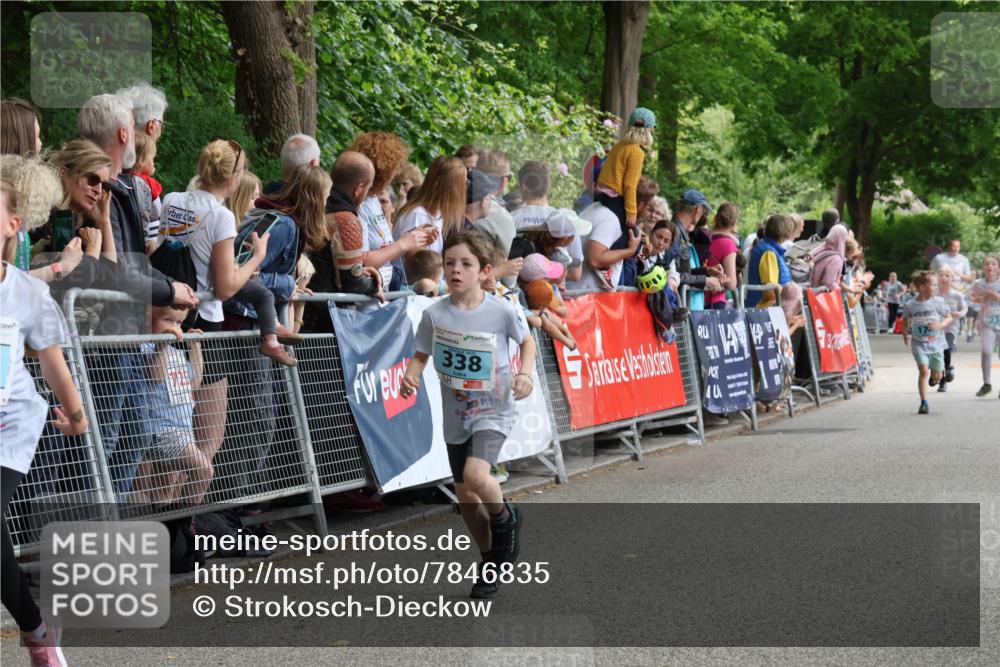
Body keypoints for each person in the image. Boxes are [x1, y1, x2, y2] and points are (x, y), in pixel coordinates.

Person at [401, 231, 535, 599]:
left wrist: (523, 374)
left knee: (477, 476)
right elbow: (421, 354)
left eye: (465, 264)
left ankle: (507, 519)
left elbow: (527, 341)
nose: (456, 270)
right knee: (466, 498)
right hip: (456, 413)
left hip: (493, 408)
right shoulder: (434, 315)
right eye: (449, 263)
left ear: (484, 271)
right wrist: (411, 376)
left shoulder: (501, 310)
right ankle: (491, 558)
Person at [2, 178, 87, 667]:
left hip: (11, 424)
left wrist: (76, 417)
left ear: (12, 226)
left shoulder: (27, 293)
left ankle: (37, 635)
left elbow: (53, 364)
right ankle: (37, 628)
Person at [160, 139, 297, 366]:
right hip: (201, 317)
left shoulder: (171, 199)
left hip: (166, 306)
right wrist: (257, 258)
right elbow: (225, 288)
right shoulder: (221, 216)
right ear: (234, 180)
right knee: (208, 400)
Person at [77, 93, 197, 332]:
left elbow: (135, 263)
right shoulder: (97, 192)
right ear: (123, 134)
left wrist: (174, 286)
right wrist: (171, 291)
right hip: (105, 338)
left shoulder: (125, 187)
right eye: (133, 127)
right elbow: (118, 273)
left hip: (125, 327)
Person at [132, 304, 212, 505]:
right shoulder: (146, 347)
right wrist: (161, 346)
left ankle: (167, 527)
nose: (175, 327)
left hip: (183, 428)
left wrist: (195, 349)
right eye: (168, 321)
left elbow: (193, 383)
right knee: (204, 471)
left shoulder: (176, 351)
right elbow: (155, 376)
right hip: (163, 431)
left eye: (178, 322)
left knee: (164, 487)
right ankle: (185, 523)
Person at [347, 132, 436, 293]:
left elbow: (384, 247)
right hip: (366, 301)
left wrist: (413, 237)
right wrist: (403, 244)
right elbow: (362, 261)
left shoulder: (373, 200)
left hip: (383, 292)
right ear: (384, 171)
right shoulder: (359, 203)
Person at [901, 270, 953, 414]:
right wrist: (905, 332)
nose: (936, 288)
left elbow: (949, 317)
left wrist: (941, 325)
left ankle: (938, 374)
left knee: (938, 376)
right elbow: (905, 319)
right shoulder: (910, 305)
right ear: (922, 286)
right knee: (923, 370)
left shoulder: (938, 302)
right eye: (933, 285)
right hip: (919, 343)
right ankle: (924, 403)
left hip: (936, 343)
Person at [595, 107, 655, 230]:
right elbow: (629, 184)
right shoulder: (636, 152)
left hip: (601, 193)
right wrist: (632, 211)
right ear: (648, 129)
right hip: (615, 199)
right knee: (629, 233)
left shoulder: (619, 145)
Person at [394, 155, 466, 255]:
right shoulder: (418, 215)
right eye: (463, 183)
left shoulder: (438, 214)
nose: (465, 188)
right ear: (452, 188)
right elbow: (417, 264)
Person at [970, 255, 1000, 399]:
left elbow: (994, 297)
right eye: (987, 264)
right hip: (987, 323)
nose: (990, 267)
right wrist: (982, 299)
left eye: (993, 264)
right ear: (983, 267)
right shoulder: (978, 284)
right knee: (986, 351)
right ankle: (987, 384)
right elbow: (972, 299)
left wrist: (996, 297)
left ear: (998, 267)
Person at [935, 267, 967, 393]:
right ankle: (947, 368)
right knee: (937, 353)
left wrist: (960, 313)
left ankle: (942, 382)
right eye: (941, 275)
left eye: (947, 275)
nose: (943, 277)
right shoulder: (934, 293)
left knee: (945, 350)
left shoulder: (956, 295)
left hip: (951, 327)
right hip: (937, 327)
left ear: (951, 278)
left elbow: (964, 308)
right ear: (937, 278)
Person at [705, 203, 741, 309]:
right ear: (734, 222)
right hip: (717, 300)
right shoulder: (728, 244)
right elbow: (731, 283)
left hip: (697, 298)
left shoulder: (704, 238)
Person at [809, 224, 849, 292]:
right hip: (819, 295)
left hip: (811, 290)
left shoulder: (820, 250)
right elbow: (829, 282)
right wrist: (838, 288)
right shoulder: (836, 259)